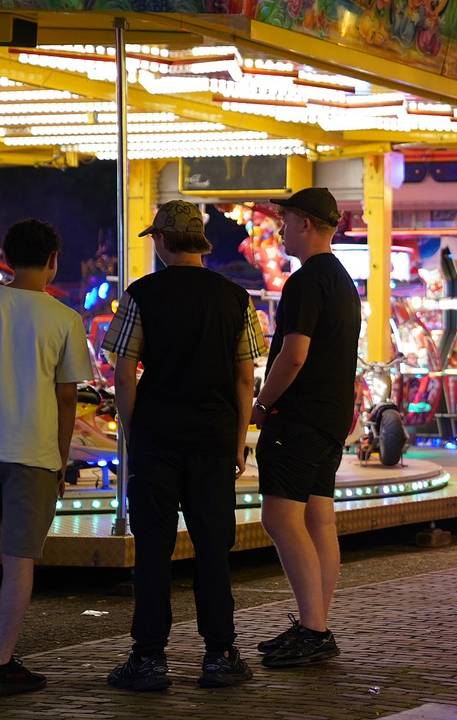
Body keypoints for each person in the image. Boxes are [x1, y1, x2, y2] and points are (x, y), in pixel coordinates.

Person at [100, 201, 264, 691]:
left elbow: (124, 372)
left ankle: (149, 659)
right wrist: (238, 443)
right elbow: (244, 377)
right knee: (214, 548)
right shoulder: (236, 299)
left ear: (166, 241)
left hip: (158, 438)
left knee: (154, 549)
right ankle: (220, 655)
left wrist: (132, 429)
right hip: (214, 440)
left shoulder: (140, 295)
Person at [250, 188, 360, 668]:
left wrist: (261, 402)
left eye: (288, 220)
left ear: (308, 225)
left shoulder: (304, 282)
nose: (282, 229)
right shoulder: (342, 280)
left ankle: (314, 628)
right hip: (333, 416)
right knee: (320, 520)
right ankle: (316, 624)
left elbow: (294, 354)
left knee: (279, 518)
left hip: (298, 416)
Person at [0, 219, 93, 696]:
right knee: (18, 560)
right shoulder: (64, 320)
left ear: (6, 256)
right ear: (54, 259)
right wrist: (60, 460)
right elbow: (66, 399)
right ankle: (3, 661)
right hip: (33, 455)